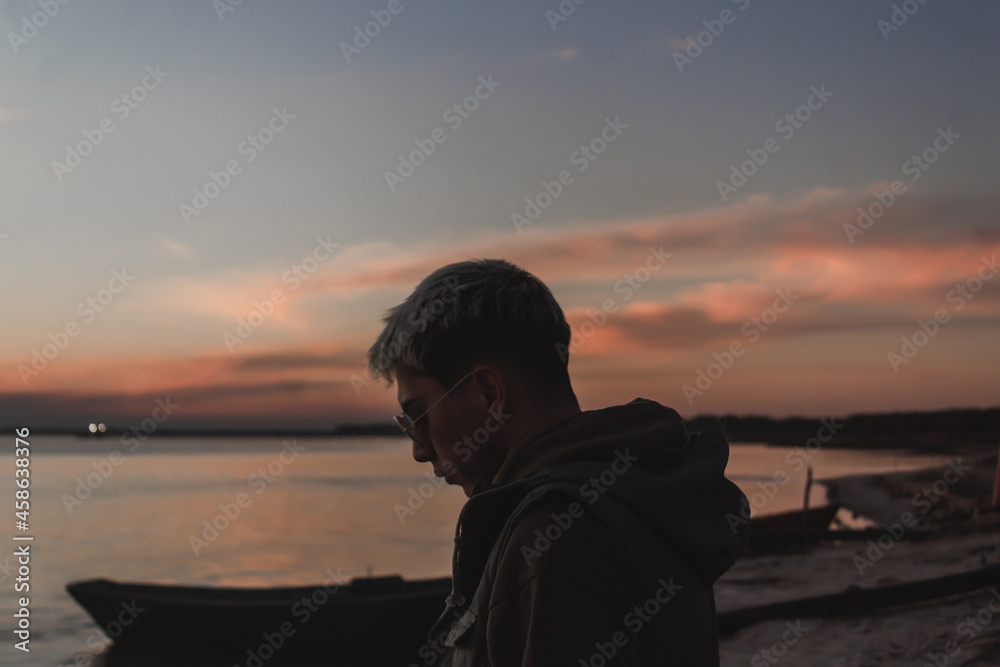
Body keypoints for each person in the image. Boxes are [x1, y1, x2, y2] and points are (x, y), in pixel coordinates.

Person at [366, 258, 749, 666]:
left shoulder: (555, 533)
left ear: (489, 394)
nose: (420, 450)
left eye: (418, 417)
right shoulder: (636, 491)